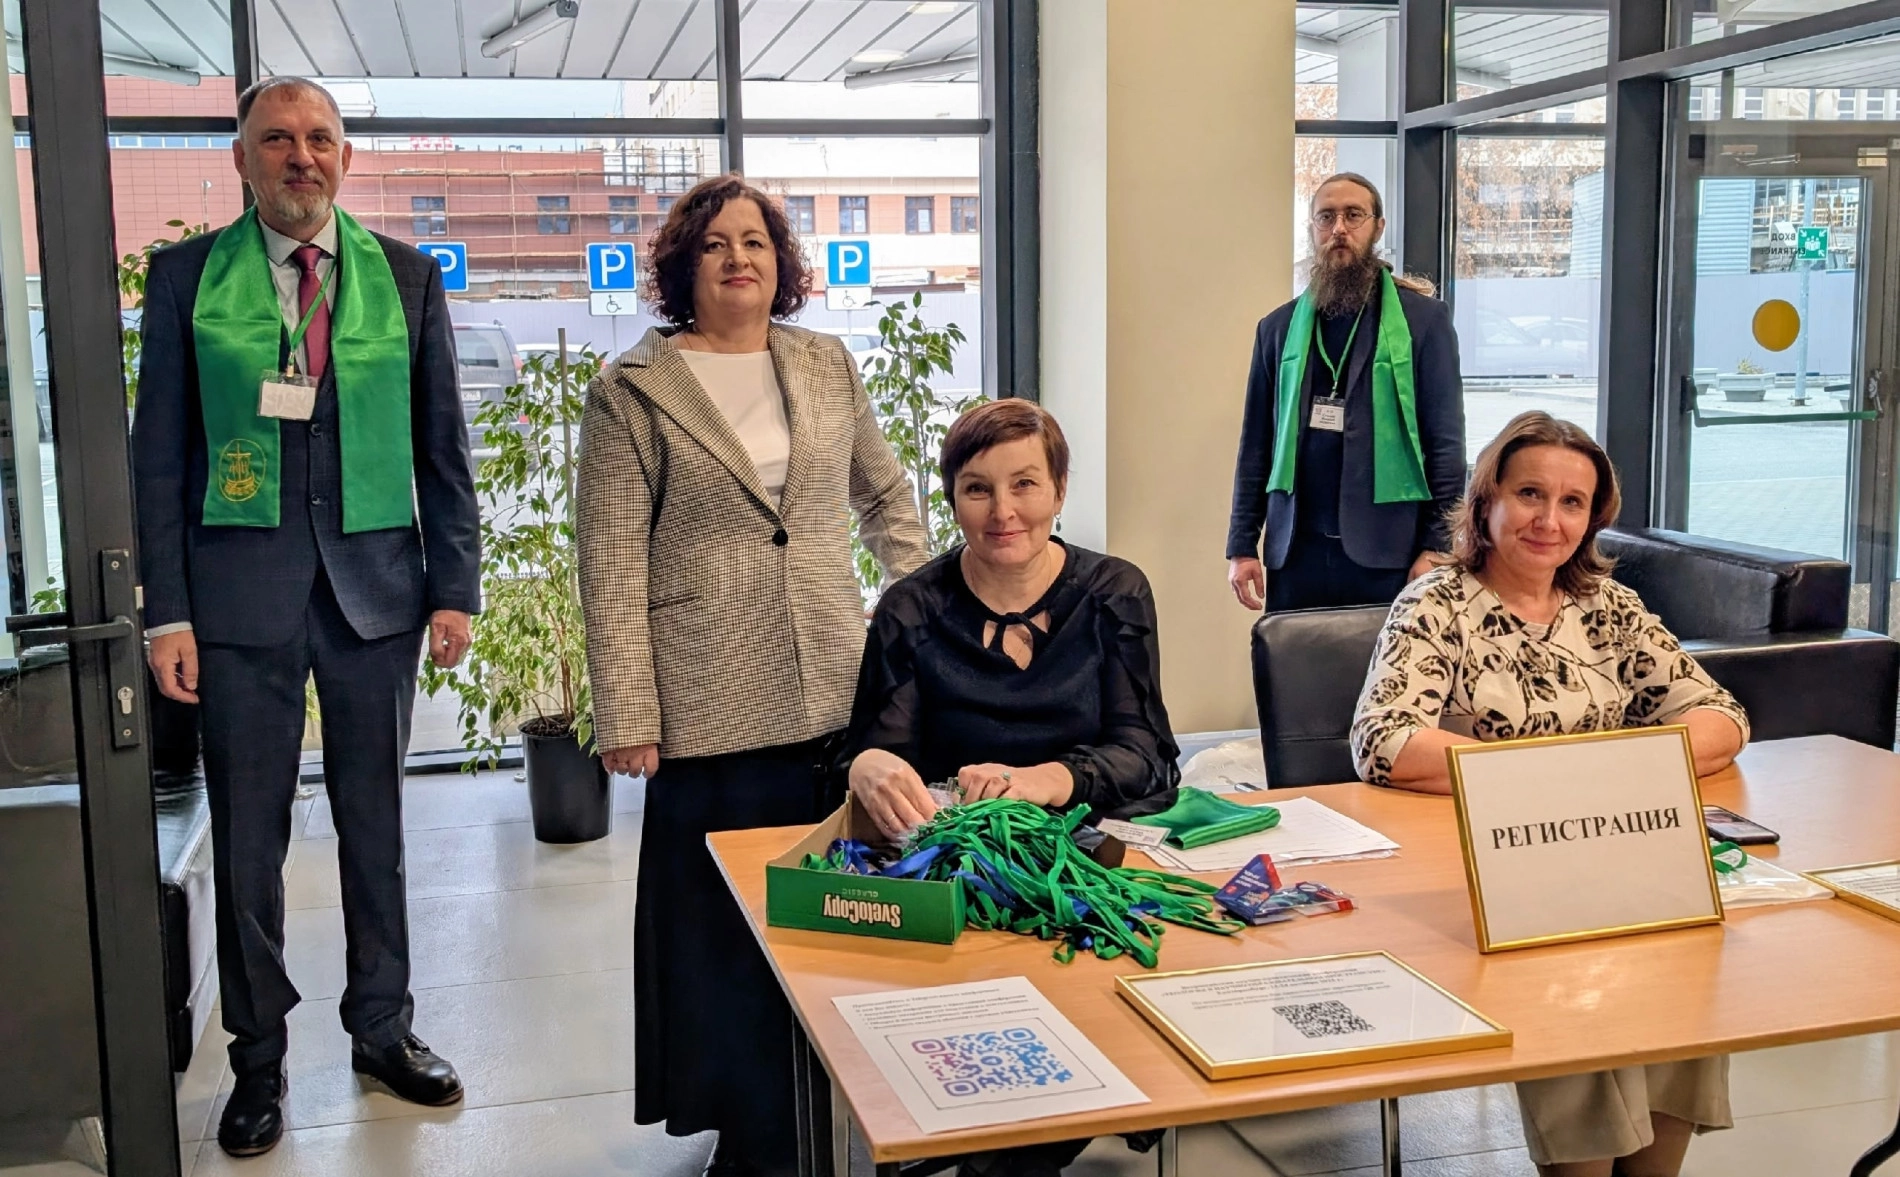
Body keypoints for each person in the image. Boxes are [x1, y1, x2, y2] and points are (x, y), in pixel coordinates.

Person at [131, 78, 481, 1157]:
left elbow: (442, 445)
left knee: (378, 829)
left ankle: (383, 1028)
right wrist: (166, 612)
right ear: (242, 159)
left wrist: (455, 586)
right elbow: (160, 458)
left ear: (345, 157)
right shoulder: (187, 279)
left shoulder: (406, 277)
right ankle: (258, 1059)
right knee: (250, 840)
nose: (301, 156)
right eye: (277, 139)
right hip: (237, 602)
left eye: (320, 138)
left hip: (375, 591)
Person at [576, 173, 929, 1177]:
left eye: (757, 241)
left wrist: (924, 609)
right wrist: (626, 708)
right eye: (716, 243)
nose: (739, 258)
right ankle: (751, 1126)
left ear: (782, 264)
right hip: (706, 694)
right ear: (683, 265)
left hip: (832, 679)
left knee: (835, 908)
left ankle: (846, 1098)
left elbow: (884, 495)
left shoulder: (824, 363)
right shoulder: (632, 387)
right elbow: (609, 556)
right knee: (721, 930)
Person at [1350, 411, 1747, 1177]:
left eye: (1572, 502)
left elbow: (1720, 716)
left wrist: (1615, 768)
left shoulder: (1609, 606)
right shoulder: (1436, 604)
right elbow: (1385, 738)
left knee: (1682, 953)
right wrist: (1543, 778)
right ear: (1487, 499)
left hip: (1615, 853)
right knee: (1574, 968)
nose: (1549, 520)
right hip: (1499, 867)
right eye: (1529, 493)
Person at [844, 398, 1178, 1177]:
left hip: (1087, 863)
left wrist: (1041, 781)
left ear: (1059, 490)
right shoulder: (912, 610)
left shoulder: (1115, 592)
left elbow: (1149, 756)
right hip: (961, 872)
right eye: (977, 488)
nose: (1003, 511)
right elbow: (878, 755)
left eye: (1025, 484)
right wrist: (866, 765)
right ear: (952, 499)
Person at [1227, 172, 1467, 613]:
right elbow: (1256, 445)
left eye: (1353, 215)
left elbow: (1446, 445)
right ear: (1312, 228)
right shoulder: (1277, 329)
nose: (1339, 228)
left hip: (1389, 554)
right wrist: (1242, 546)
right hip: (1295, 553)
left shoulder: (1424, 322)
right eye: (1326, 217)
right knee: (1290, 658)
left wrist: (1436, 545)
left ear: (1378, 227)